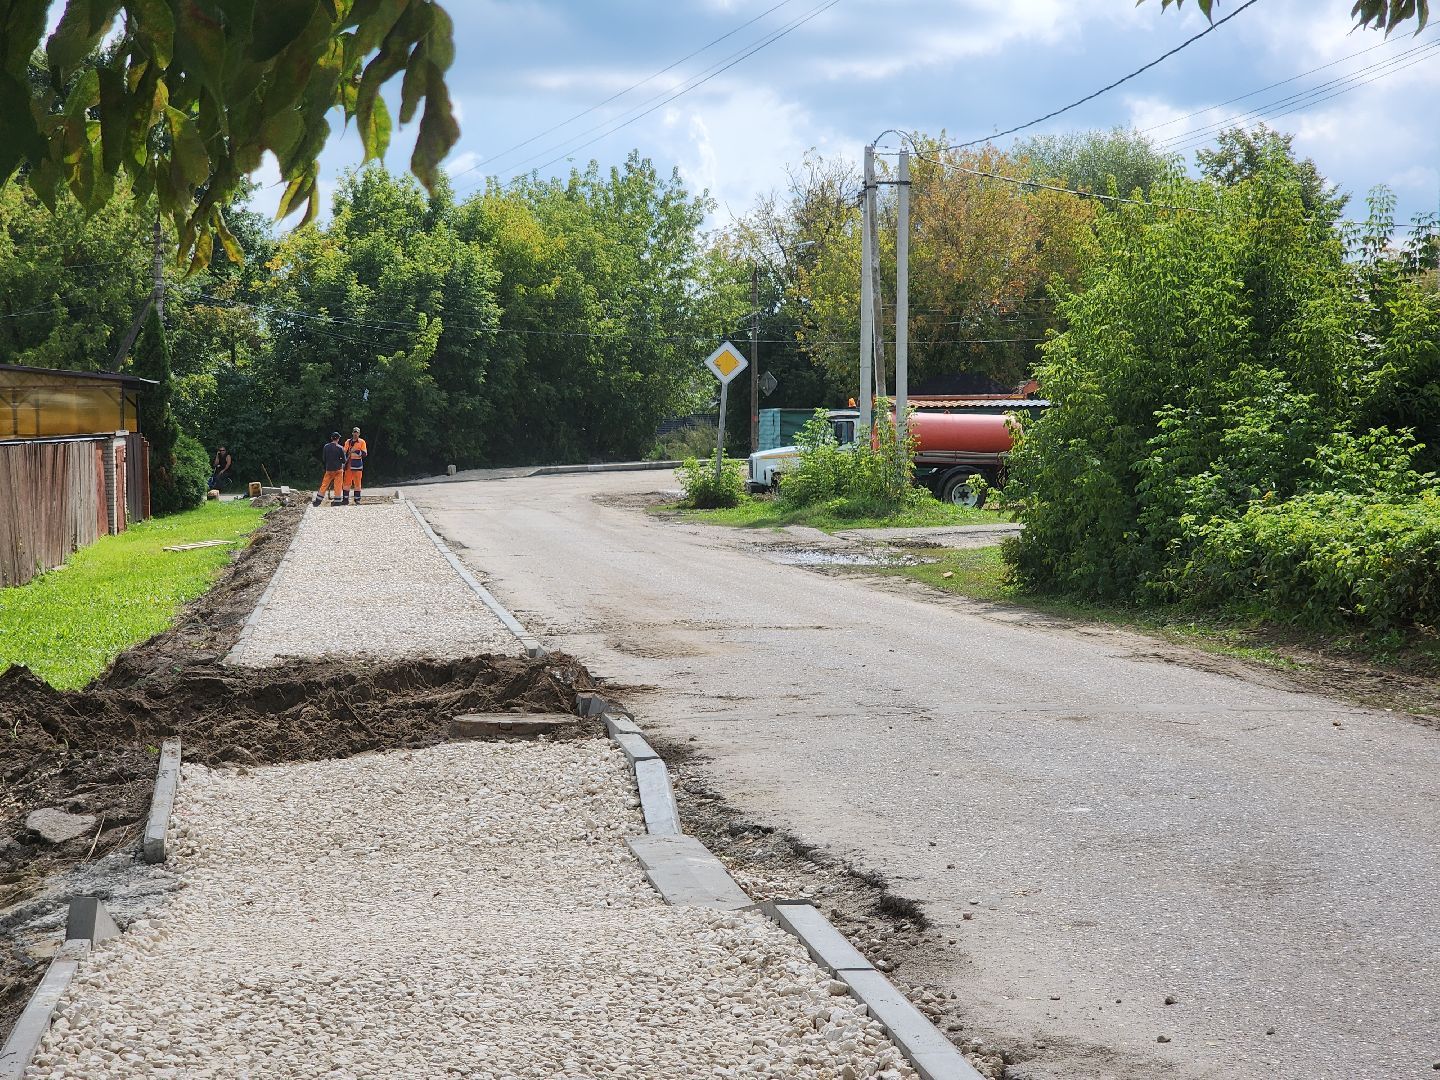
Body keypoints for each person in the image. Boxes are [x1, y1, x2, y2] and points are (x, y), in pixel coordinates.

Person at [313, 432, 347, 507]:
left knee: (324, 485)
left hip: (329, 469)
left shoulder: (326, 447)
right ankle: (337, 502)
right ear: (338, 439)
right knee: (338, 485)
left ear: (331, 438)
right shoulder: (340, 448)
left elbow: (324, 459)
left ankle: (318, 501)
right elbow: (344, 461)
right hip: (338, 470)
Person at [341, 426, 368, 504]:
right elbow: (344, 452)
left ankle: (357, 499)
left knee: (357, 483)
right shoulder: (348, 442)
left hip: (358, 466)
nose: (356, 434)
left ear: (359, 434)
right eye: (354, 432)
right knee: (346, 483)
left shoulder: (362, 442)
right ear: (352, 433)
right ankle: (345, 499)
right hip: (349, 466)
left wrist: (356, 451)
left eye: (357, 433)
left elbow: (364, 454)